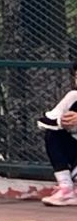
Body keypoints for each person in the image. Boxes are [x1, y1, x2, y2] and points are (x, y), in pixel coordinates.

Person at [41, 71, 77, 206]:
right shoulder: (73, 96)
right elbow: (44, 122)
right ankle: (66, 189)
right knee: (53, 133)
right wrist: (61, 122)